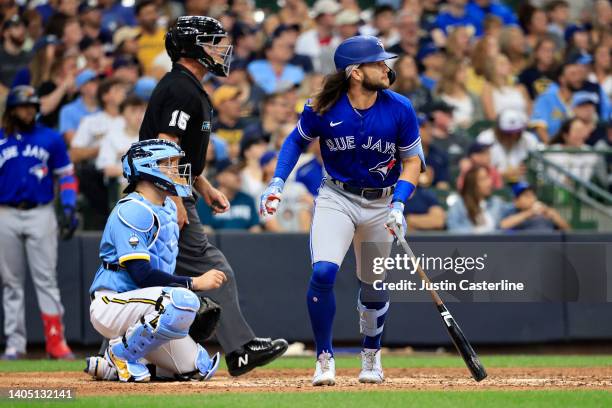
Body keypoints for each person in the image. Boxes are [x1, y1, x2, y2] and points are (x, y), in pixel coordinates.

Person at [260, 35, 424, 385]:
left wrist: (399, 203)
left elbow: (412, 162)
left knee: (374, 283)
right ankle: (324, 357)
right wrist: (277, 182)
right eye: (377, 62)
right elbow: (295, 141)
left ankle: (371, 354)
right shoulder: (322, 106)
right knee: (323, 273)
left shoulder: (400, 107)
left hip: (383, 202)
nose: (385, 67)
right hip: (338, 197)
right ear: (355, 72)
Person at [139, 16, 288, 377]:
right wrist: (175, 198)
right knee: (213, 267)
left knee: (151, 276)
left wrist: (201, 184)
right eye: (212, 42)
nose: (221, 49)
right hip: (160, 193)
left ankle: (125, 353)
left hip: (163, 191)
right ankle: (239, 349)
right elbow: (165, 146)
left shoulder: (188, 86)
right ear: (192, 49)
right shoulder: (180, 88)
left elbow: (180, 152)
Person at [84, 139, 225, 382]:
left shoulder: (169, 206)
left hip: (147, 306)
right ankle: (120, 353)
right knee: (183, 301)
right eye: (168, 164)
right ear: (146, 167)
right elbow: (142, 274)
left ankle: (109, 367)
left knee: (198, 368)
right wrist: (194, 283)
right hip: (113, 302)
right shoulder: (132, 209)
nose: (176, 170)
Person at [0, 86, 78, 360]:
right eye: (24, 106)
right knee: (11, 282)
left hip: (41, 212)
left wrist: (68, 205)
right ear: (12, 109)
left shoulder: (50, 138)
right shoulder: (1, 137)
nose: (29, 110)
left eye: (32, 106)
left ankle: (56, 342)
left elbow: (66, 175)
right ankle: (15, 343)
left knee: (46, 279)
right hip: (5, 212)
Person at [197, 159, 261, 232]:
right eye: (233, 172)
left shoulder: (248, 199)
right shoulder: (206, 200)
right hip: (216, 243)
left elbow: (255, 229)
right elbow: (205, 230)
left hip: (245, 242)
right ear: (220, 177)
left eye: (239, 172)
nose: (239, 176)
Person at [477, 109, 539, 183]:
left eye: (517, 132)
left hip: (522, 187)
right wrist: (503, 174)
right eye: (508, 133)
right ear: (498, 130)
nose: (514, 136)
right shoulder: (485, 139)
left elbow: (539, 168)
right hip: (495, 188)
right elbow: (478, 174)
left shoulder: (529, 140)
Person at [446, 165, 508, 233]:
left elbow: (513, 210)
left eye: (489, 178)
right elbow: (453, 230)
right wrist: (475, 231)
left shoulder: (496, 202)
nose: (489, 182)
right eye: (483, 179)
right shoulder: (459, 205)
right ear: (472, 183)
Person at [500, 181, 570, 231]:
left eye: (533, 195)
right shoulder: (512, 211)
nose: (532, 198)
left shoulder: (545, 211)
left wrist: (552, 214)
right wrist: (530, 212)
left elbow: (568, 230)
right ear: (516, 201)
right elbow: (502, 226)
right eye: (527, 196)